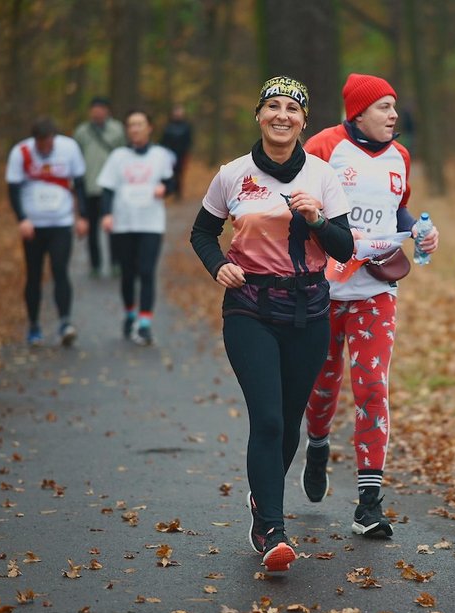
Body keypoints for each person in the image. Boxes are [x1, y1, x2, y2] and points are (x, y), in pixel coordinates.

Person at [189, 76, 354, 573]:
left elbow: (345, 249)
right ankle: (271, 531)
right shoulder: (232, 175)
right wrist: (218, 265)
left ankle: (262, 499)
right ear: (258, 115)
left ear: (304, 121)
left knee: (288, 424)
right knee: (267, 417)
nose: (282, 116)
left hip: (308, 309)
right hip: (250, 307)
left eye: (292, 109)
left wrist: (320, 220)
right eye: (273, 107)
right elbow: (202, 232)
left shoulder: (324, 176)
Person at [300, 73, 439, 538]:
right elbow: (296, 205)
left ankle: (369, 504)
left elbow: (398, 212)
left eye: (394, 107)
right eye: (383, 107)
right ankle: (317, 443)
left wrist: (419, 231)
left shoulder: (400, 155)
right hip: (322, 290)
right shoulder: (324, 146)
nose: (393, 115)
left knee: (372, 389)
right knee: (322, 387)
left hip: (375, 292)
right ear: (357, 112)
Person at [5, 118, 89, 346]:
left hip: (61, 222)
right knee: (34, 274)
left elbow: (80, 184)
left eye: (49, 142)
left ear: (54, 138)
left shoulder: (69, 148)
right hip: (33, 225)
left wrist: (82, 216)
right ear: (35, 141)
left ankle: (65, 323)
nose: (45, 147)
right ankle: (33, 326)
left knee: (60, 269)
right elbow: (13, 189)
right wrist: (22, 219)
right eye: (41, 144)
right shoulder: (20, 152)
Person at [97, 109, 175, 345]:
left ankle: (145, 323)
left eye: (140, 124)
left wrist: (165, 189)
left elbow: (170, 182)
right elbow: (107, 188)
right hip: (124, 222)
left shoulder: (161, 155)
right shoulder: (118, 156)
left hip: (151, 222)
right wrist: (107, 214)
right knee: (128, 274)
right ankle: (130, 313)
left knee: (147, 271)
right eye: (131, 124)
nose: (135, 128)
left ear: (149, 127)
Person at [74, 97, 127, 278]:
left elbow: (124, 155)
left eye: (101, 108)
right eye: (94, 108)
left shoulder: (118, 129)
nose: (97, 112)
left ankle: (115, 263)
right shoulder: (82, 131)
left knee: (113, 227)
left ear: (107, 111)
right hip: (89, 186)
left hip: (112, 188)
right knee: (92, 230)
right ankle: (95, 265)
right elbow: (77, 159)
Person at [160, 104, 193, 200]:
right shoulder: (168, 126)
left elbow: (189, 140)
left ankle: (178, 193)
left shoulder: (186, 126)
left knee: (179, 173)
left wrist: (186, 152)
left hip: (181, 154)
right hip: (169, 154)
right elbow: (164, 140)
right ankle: (171, 190)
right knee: (170, 172)